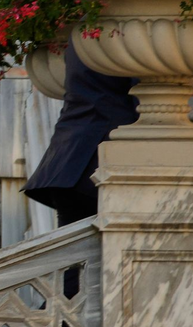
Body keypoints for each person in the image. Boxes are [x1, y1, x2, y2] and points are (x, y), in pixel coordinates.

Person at [23, 45, 138, 226]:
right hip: (98, 158)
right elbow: (143, 97)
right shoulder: (121, 26)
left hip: (67, 157)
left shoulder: (83, 30)